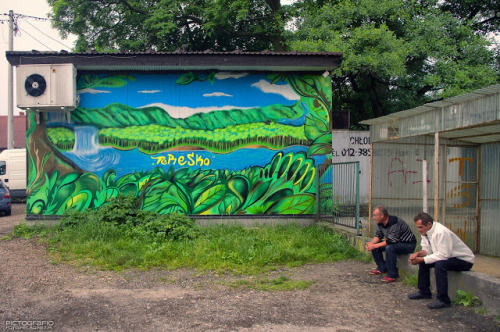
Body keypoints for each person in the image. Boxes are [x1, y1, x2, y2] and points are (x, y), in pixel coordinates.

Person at [408, 212, 475, 309]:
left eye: (421, 227)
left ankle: (443, 300)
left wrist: (422, 259)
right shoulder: (425, 232)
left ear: (429, 224)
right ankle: (424, 292)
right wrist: (418, 254)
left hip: (464, 260)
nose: (419, 230)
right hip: (449, 257)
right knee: (424, 263)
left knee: (440, 264)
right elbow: (428, 250)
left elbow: (444, 255)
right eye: (417, 227)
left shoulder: (441, 232)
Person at [365, 206, 417, 283]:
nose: (373, 217)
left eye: (375, 215)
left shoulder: (395, 222)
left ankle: (392, 275)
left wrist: (374, 245)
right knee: (376, 247)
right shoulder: (380, 223)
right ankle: (382, 268)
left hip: (408, 244)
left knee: (389, 248)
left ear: (382, 215)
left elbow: (392, 240)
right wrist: (371, 244)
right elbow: (379, 235)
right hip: (396, 243)